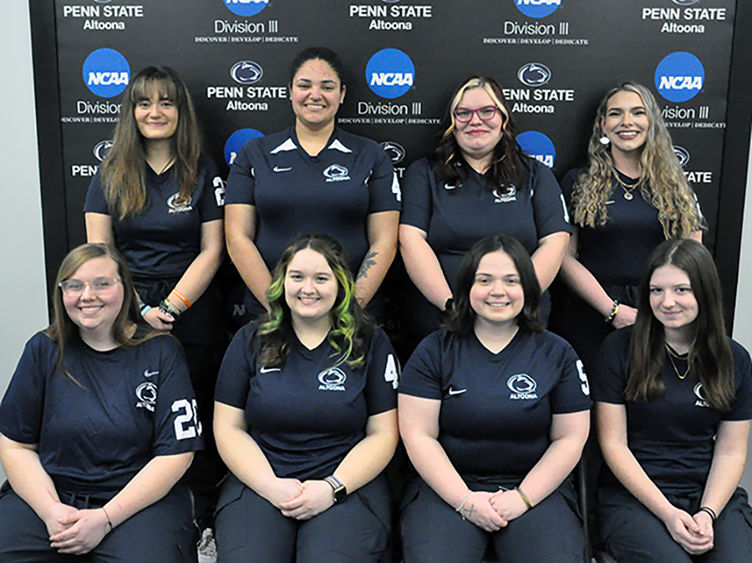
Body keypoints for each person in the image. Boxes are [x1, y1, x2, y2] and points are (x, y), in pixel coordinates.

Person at [84, 65, 226, 527]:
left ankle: (203, 514)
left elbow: (213, 249)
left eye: (166, 102)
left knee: (195, 408)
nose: (155, 112)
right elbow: (100, 253)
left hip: (192, 306)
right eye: (144, 103)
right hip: (124, 308)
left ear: (180, 111)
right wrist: (139, 307)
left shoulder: (202, 171)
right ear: (132, 112)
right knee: (135, 408)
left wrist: (171, 307)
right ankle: (131, 509)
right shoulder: (111, 171)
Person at [0, 243, 202, 561]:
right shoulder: (43, 349)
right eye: (75, 286)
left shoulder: (162, 351)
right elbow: (15, 446)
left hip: (135, 501)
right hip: (52, 493)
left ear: (126, 288)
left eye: (102, 284)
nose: (87, 295)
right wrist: (52, 512)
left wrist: (105, 518)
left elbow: (176, 456)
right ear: (61, 293)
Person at [399, 235, 590, 563]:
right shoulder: (434, 350)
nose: (497, 291)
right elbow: (418, 435)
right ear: (466, 288)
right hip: (449, 489)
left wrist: (522, 498)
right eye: (484, 280)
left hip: (535, 490)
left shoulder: (558, 353)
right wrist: (466, 500)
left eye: (511, 281)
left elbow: (570, 438)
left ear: (529, 289)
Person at [213, 234, 400, 562]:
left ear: (341, 284)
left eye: (321, 278)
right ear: (282, 282)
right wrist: (270, 486)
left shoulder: (371, 342)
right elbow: (228, 428)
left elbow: (384, 434)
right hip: (261, 482)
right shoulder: (250, 339)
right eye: (297, 277)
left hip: (346, 486)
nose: (307, 289)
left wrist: (332, 487)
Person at [593, 239, 752, 562]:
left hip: (708, 493)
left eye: (682, 290)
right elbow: (613, 445)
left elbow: (732, 450)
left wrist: (707, 513)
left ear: (704, 293)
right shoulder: (619, 349)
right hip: (634, 497)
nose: (667, 302)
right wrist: (667, 513)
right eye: (656, 290)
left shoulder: (733, 358)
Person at [224, 47, 400, 321]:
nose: (314, 95)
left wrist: (349, 310)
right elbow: (237, 238)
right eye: (304, 85)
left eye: (327, 87)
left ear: (341, 95)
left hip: (352, 317)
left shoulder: (371, 155)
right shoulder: (254, 153)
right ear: (290, 92)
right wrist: (277, 308)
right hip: (270, 315)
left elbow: (385, 241)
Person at [399, 75, 571, 340]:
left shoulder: (535, 174)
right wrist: (451, 305)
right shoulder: (423, 173)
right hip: (443, 320)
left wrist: (515, 301)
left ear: (503, 118)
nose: (475, 121)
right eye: (463, 113)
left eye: (487, 111)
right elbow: (411, 240)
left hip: (520, 320)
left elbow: (555, 241)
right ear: (452, 123)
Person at [553, 81, 704, 368]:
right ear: (603, 125)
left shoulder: (675, 185)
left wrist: (664, 306)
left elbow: (692, 256)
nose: (627, 122)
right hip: (590, 313)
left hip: (660, 313)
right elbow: (563, 257)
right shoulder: (578, 182)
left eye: (637, 112)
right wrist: (611, 311)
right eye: (615, 114)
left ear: (652, 122)